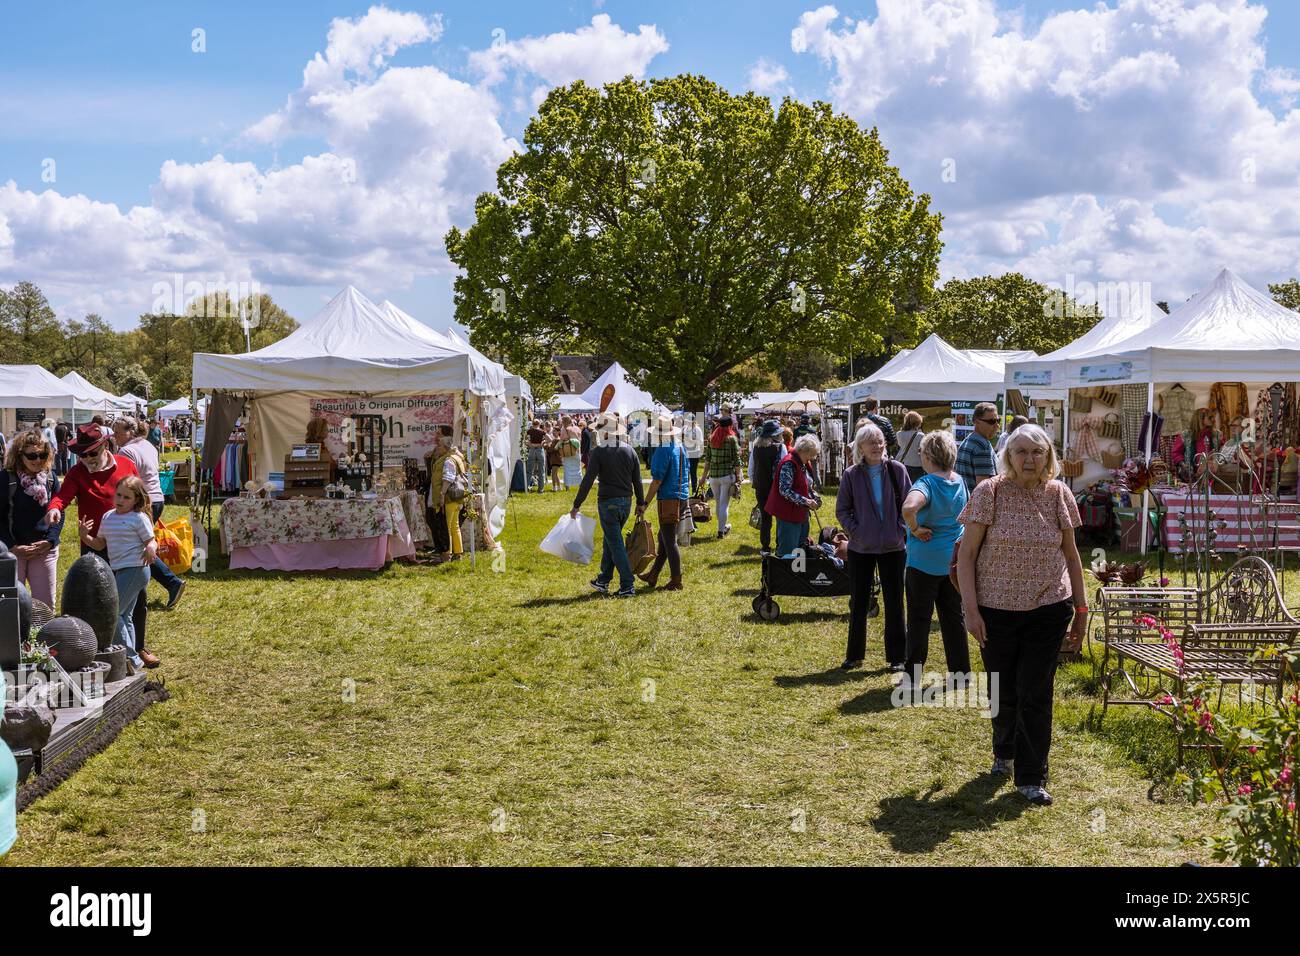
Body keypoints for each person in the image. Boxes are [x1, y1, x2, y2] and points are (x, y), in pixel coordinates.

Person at [956, 424, 1087, 807]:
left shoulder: (1059, 494)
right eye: (1021, 452)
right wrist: (971, 611)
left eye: (1037, 452)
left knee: (1035, 690)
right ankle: (1004, 751)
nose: (1029, 459)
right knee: (1003, 687)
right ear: (1008, 456)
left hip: (1049, 609)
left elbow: (1073, 556)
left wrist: (1081, 610)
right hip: (995, 610)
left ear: (1049, 456)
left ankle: (1031, 776)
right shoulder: (990, 492)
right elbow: (966, 556)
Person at [836, 423, 910, 671]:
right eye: (871, 443)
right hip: (861, 548)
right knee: (858, 601)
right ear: (861, 448)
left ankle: (897, 658)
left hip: (893, 547)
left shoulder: (897, 470)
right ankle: (854, 655)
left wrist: (900, 528)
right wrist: (857, 532)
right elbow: (842, 510)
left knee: (894, 602)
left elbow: (909, 503)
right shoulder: (851, 474)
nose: (877, 446)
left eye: (880, 442)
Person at [899, 430, 969, 691]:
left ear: (928, 456)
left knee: (919, 620)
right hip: (952, 562)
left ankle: (912, 678)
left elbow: (908, 508)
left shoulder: (926, 483)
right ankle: (961, 674)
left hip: (923, 564)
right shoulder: (959, 481)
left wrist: (915, 529)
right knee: (954, 618)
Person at [77, 475, 157, 672]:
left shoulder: (139, 518)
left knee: (114, 613)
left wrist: (151, 548)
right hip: (119, 570)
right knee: (125, 616)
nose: (120, 500)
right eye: (118, 495)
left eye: (127, 497)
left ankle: (131, 658)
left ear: (137, 500)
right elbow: (99, 544)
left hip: (137, 569)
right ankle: (132, 660)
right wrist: (84, 536)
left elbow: (151, 540)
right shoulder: (108, 516)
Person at [113, 416, 187, 616]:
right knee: (142, 545)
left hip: (142, 502)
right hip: (157, 499)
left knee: (139, 548)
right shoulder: (148, 445)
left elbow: (127, 481)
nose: (114, 436)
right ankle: (168, 583)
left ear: (130, 432)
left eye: (118, 432)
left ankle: (171, 583)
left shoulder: (126, 451)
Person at [571, 415, 645, 597]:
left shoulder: (599, 452)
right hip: (626, 502)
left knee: (615, 543)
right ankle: (604, 579)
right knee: (610, 540)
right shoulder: (630, 451)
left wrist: (576, 504)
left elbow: (588, 480)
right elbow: (638, 480)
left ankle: (627, 584)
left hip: (608, 502)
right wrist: (641, 502)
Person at [0, 429, 65, 608]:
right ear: (20, 455)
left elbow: (59, 510)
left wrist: (51, 541)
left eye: (43, 455)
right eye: (32, 455)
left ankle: (42, 636)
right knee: (11, 605)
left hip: (44, 549)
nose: (38, 460)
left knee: (45, 606)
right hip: (12, 551)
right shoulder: (7, 478)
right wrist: (12, 546)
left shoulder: (50, 479)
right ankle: (17, 637)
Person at [636, 415, 689, 590]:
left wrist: (644, 503)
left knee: (669, 541)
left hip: (668, 499)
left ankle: (676, 580)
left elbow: (657, 480)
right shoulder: (680, 447)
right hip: (682, 497)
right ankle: (653, 575)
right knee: (664, 538)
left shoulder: (663, 449)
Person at [767, 433, 822, 558]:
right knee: (788, 550)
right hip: (788, 515)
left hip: (800, 513)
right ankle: (785, 576)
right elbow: (784, 489)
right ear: (805, 451)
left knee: (800, 549)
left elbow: (805, 484)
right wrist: (806, 501)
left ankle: (798, 576)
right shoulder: (789, 463)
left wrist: (814, 497)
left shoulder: (801, 463)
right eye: (812, 454)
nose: (812, 458)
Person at [428, 425, 468, 562]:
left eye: (439, 446)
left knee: (446, 526)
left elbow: (448, 478)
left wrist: (441, 494)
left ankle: (447, 554)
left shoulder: (448, 460)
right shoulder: (456, 457)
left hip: (449, 497)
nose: (437, 448)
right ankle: (458, 553)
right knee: (454, 526)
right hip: (456, 497)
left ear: (445, 447)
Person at [700, 416, 742, 539]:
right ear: (730, 426)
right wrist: (739, 476)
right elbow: (737, 460)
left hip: (713, 477)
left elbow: (707, 460)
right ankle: (720, 531)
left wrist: (703, 477)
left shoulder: (711, 438)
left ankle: (721, 528)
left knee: (719, 503)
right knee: (724, 504)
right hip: (727, 476)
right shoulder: (731, 439)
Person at [749, 419, 783, 556]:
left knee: (765, 518)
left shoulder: (756, 448)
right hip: (775, 488)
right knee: (780, 517)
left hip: (760, 488)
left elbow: (751, 469)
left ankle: (765, 546)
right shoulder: (780, 448)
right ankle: (780, 544)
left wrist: (755, 481)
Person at [956, 401, 1000, 493]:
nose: (997, 426)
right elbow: (984, 489)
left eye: (998, 420)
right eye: (991, 421)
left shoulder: (968, 440)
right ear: (977, 422)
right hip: (977, 505)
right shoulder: (982, 446)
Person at [895, 411, 926, 482]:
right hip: (917, 465)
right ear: (917, 422)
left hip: (903, 464)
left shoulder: (899, 434)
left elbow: (902, 446)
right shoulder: (920, 435)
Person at [682, 413, 705, 492]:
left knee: (692, 471)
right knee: (685, 471)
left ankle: (694, 489)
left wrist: (691, 440)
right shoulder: (684, 428)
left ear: (693, 421)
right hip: (685, 451)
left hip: (694, 452)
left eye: (689, 421)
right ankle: (686, 489)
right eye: (687, 421)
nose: (688, 423)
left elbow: (701, 442)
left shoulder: (697, 429)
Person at [561, 416, 583, 489]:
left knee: (567, 469)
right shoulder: (577, 428)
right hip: (577, 451)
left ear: (565, 422)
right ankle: (580, 485)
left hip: (568, 451)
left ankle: (567, 487)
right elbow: (580, 440)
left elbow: (562, 440)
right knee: (578, 469)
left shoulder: (565, 429)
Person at [526, 420, 547, 493]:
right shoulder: (542, 431)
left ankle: (527, 487)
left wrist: (530, 444)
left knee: (529, 470)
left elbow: (525, 439)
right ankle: (540, 489)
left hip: (532, 450)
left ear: (532, 424)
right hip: (539, 450)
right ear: (539, 424)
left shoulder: (529, 431)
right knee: (541, 470)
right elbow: (548, 439)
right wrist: (542, 442)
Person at [546, 423, 565, 491]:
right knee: (555, 474)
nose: (553, 432)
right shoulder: (557, 439)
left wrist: (545, 445)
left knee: (553, 474)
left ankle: (554, 487)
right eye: (553, 431)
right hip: (557, 458)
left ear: (558, 432)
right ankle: (559, 487)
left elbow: (551, 450)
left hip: (556, 459)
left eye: (555, 431)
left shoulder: (556, 440)